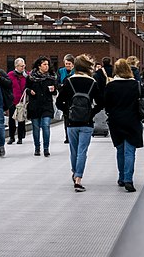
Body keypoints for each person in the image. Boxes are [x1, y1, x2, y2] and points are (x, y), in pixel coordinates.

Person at [56, 54, 102, 192]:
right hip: (86, 123)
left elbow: (59, 102)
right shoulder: (92, 82)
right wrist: (91, 113)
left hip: (72, 122)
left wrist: (68, 111)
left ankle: (75, 172)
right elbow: (101, 102)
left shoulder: (69, 81)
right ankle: (78, 178)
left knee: (74, 151)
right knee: (83, 151)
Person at [104, 58, 144, 192]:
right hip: (132, 121)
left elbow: (106, 104)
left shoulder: (110, 86)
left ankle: (121, 177)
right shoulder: (136, 85)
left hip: (116, 121)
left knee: (120, 150)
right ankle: (128, 179)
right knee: (130, 152)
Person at [26, 55, 58, 157]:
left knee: (46, 125)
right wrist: (30, 91)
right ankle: (37, 148)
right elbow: (26, 89)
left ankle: (46, 148)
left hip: (46, 106)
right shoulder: (31, 77)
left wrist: (53, 90)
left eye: (47, 64)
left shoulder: (51, 77)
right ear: (39, 66)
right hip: (34, 106)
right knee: (35, 127)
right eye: (44, 64)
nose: (46, 66)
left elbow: (55, 91)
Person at [8, 57, 27, 145]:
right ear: (16, 66)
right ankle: (11, 137)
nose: (23, 68)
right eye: (21, 66)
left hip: (22, 101)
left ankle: (20, 137)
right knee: (11, 120)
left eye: (23, 66)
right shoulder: (10, 75)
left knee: (21, 119)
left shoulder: (26, 75)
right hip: (13, 100)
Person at [58, 54, 75, 143]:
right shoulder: (61, 71)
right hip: (64, 98)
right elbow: (58, 84)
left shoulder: (75, 72)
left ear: (73, 64)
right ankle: (67, 136)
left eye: (69, 64)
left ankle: (72, 136)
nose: (67, 65)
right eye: (66, 64)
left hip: (73, 98)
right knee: (66, 118)